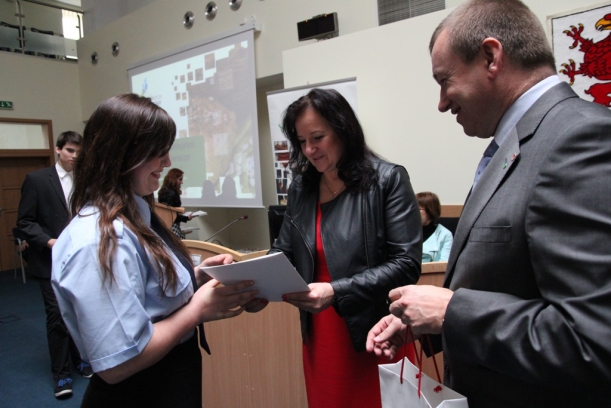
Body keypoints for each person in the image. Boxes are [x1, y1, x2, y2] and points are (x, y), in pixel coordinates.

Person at [367, 1, 611, 406]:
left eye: (444, 80)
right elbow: (511, 282)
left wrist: (452, 313)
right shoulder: (519, 144)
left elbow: (594, 338)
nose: (442, 102)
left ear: (491, 57)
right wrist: (429, 322)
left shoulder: (579, 140)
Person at [51, 93, 266, 407]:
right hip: (137, 392)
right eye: (158, 152)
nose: (166, 162)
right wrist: (196, 311)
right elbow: (117, 364)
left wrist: (197, 278)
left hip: (170, 380)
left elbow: (146, 292)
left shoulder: (135, 214)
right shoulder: (99, 240)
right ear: (123, 153)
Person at [270, 88, 422, 408]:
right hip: (321, 334)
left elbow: (406, 265)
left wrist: (335, 291)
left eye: (317, 137)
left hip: (375, 331)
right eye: (301, 141)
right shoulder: (302, 187)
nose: (309, 149)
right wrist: (255, 281)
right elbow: (283, 251)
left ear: (343, 130)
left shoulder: (388, 179)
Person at [17, 130, 92, 399]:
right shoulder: (37, 180)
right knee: (57, 317)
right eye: (70, 151)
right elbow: (24, 222)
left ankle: (80, 358)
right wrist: (50, 242)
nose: (75, 156)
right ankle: (61, 375)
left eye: (79, 152)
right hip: (49, 261)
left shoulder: (86, 181)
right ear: (58, 149)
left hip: (80, 260)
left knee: (79, 312)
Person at [417, 191, 453, 262]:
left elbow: (443, 265)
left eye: (418, 209)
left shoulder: (445, 235)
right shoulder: (405, 231)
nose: (413, 212)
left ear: (430, 211)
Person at [157, 168, 192, 239]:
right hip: (172, 226)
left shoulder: (164, 191)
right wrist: (186, 218)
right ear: (173, 179)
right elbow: (170, 214)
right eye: (180, 179)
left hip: (168, 225)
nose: (182, 182)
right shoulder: (170, 194)